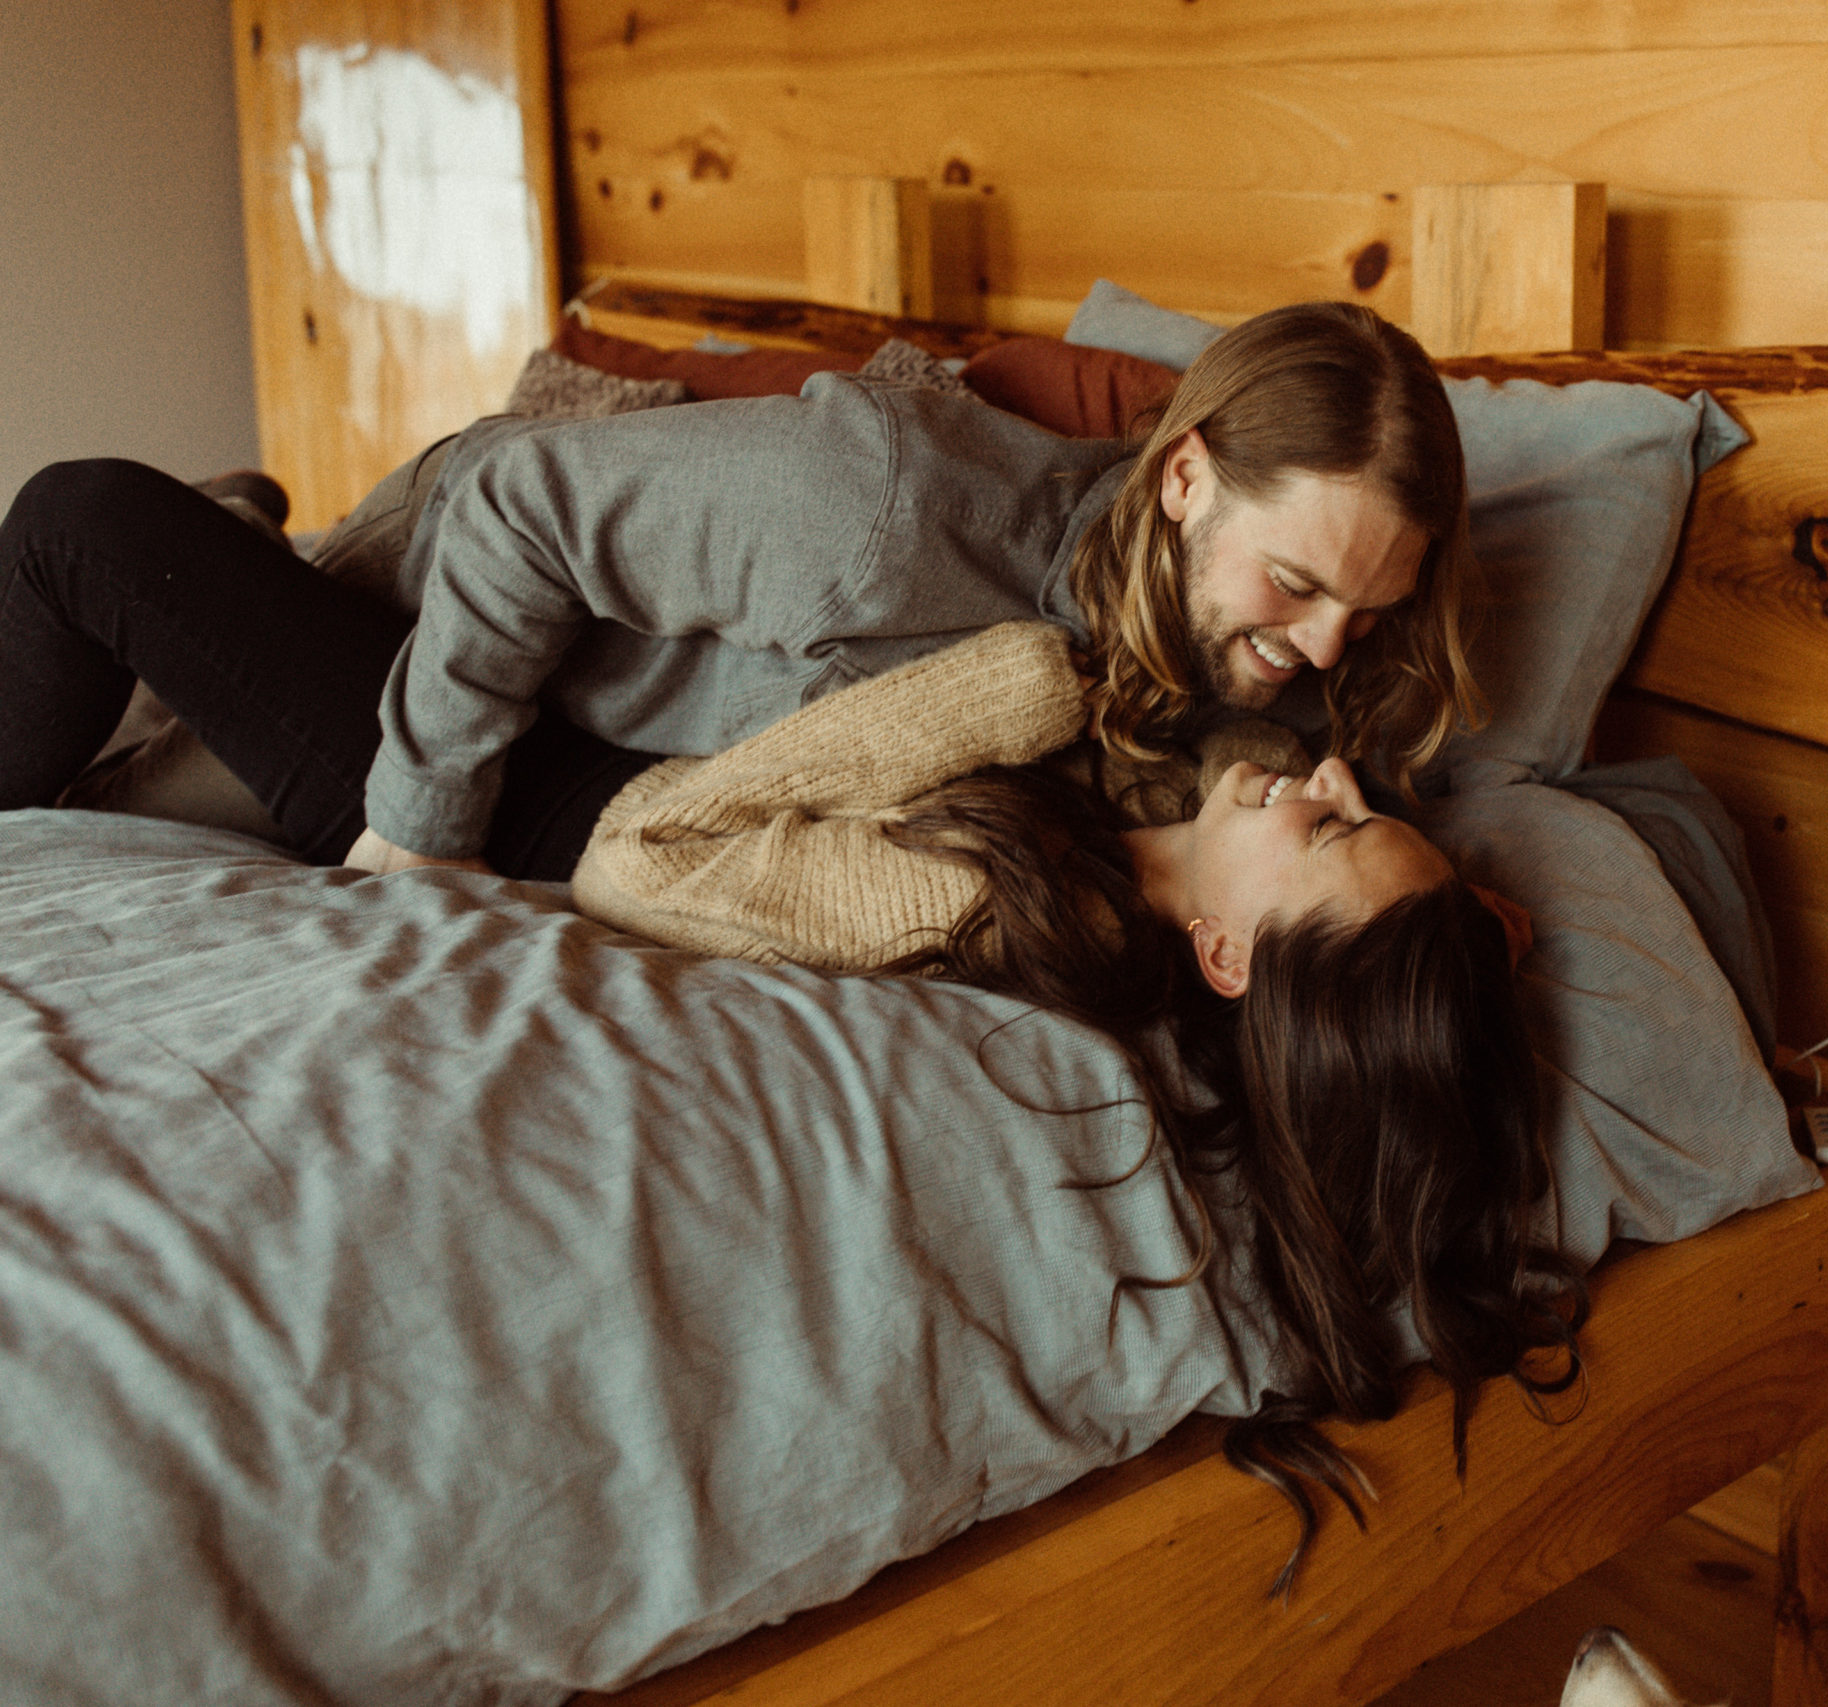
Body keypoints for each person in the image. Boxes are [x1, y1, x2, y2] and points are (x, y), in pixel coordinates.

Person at [564, 618, 1578, 1592]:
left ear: (1226, 955)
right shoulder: (1194, 821)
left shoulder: (981, 902)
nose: (1335, 772)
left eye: (1333, 825)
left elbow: (634, 856)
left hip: (572, 765)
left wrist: (1009, 690)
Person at [0, 300, 1475, 882]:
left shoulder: (1277, 659)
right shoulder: (883, 503)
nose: (1325, 644)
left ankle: (240, 535)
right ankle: (244, 546)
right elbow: (528, 509)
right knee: (78, 534)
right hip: (465, 614)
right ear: (1182, 479)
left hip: (621, 771)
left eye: (1373, 607)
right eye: (1295, 585)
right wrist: (414, 841)